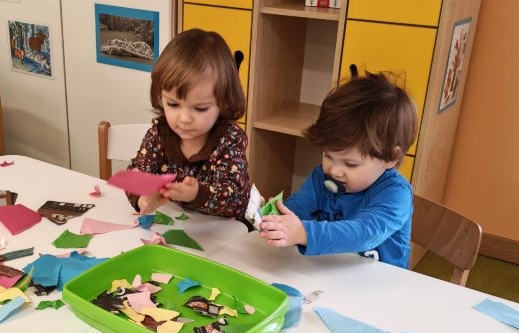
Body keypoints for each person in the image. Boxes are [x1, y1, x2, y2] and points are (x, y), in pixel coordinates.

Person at [259, 71, 418, 269]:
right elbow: (299, 206)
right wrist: (277, 220)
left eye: (350, 164)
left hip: (382, 284)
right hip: (327, 273)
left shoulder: (396, 193)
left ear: (390, 157)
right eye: (327, 155)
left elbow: (364, 233)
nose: (334, 170)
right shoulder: (321, 176)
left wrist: (303, 233)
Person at [125, 28, 251, 220]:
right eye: (172, 104)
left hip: (221, 233)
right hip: (174, 228)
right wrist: (142, 197)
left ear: (224, 102)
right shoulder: (160, 132)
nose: (184, 119)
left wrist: (196, 194)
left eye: (200, 108)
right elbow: (136, 173)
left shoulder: (230, 139)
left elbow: (237, 199)